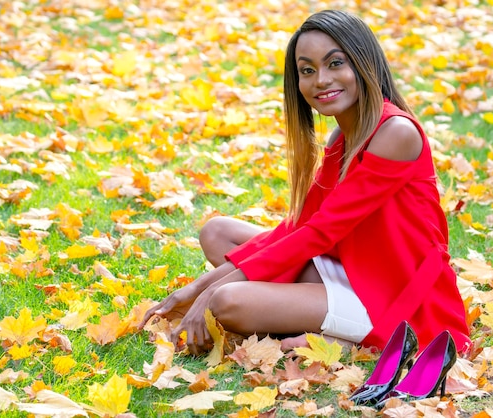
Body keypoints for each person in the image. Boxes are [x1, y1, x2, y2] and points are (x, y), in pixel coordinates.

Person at [140, 9, 471, 355]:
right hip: (350, 268)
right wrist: (191, 291)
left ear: (365, 63)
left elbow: (320, 232)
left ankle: (352, 336)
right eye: (307, 70)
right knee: (217, 232)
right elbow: (300, 226)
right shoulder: (341, 137)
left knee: (226, 301)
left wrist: (211, 293)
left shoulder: (396, 133)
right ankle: (319, 319)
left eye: (335, 63)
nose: (321, 80)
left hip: (393, 292)